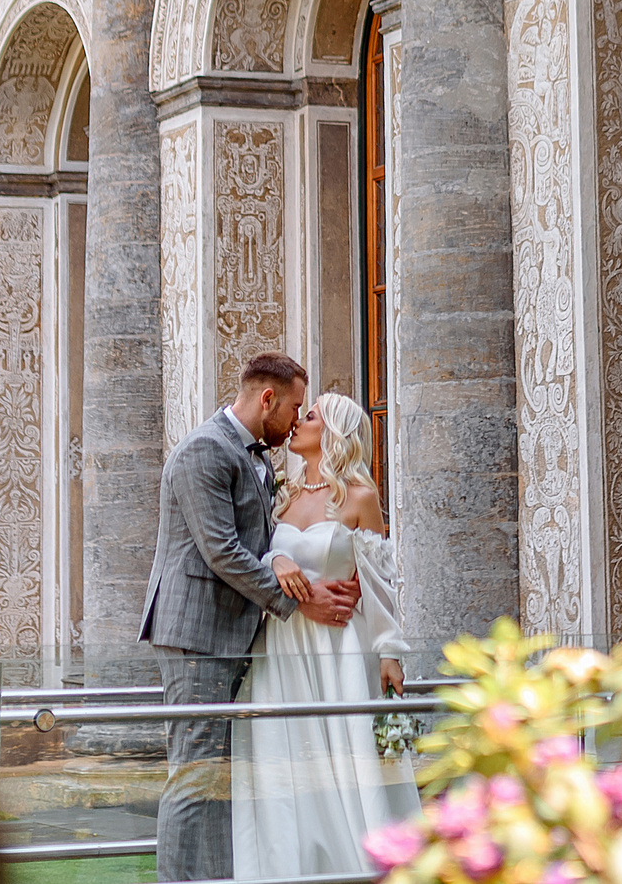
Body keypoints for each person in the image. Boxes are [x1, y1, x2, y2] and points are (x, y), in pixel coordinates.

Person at [141, 353, 359, 882]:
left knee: (219, 776)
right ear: (268, 400)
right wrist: (300, 600)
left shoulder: (255, 455)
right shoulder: (204, 451)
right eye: (296, 407)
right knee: (193, 775)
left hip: (233, 635)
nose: (297, 417)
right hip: (195, 635)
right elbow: (220, 550)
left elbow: (257, 543)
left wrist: (281, 558)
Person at [232, 391, 421, 881]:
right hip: (282, 647)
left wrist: (389, 654)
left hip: (338, 648)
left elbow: (379, 583)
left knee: (347, 759)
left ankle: (366, 864)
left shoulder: (360, 496)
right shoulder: (284, 495)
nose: (298, 421)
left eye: (309, 415)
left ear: (333, 432)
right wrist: (278, 560)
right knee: (285, 759)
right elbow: (256, 555)